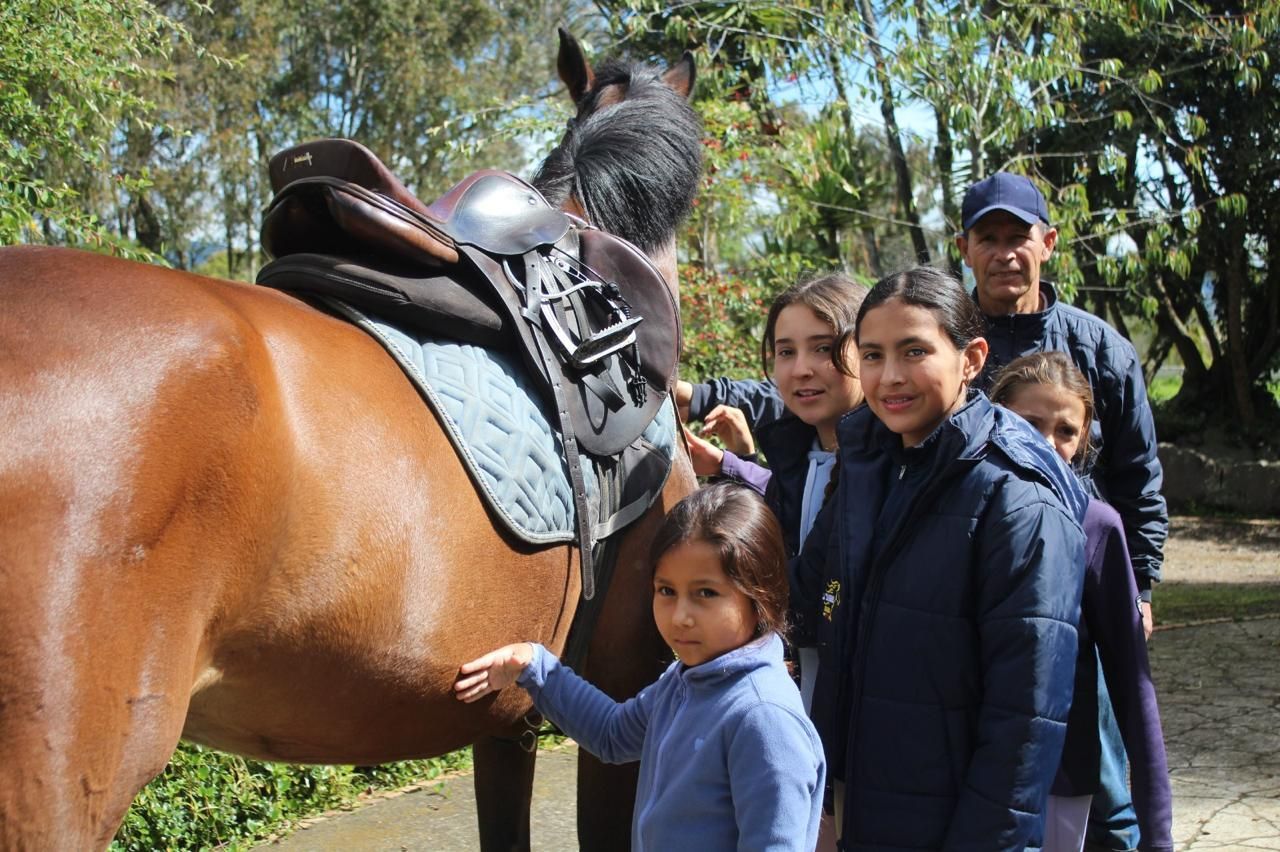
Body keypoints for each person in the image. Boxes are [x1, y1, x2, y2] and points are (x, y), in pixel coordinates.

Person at [791, 266, 1087, 849]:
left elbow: (1026, 718)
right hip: (860, 802)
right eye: (872, 356)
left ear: (971, 359)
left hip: (954, 821)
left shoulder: (1016, 499)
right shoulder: (868, 468)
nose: (890, 377)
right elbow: (807, 599)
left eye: (915, 351)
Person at [454, 481, 826, 852]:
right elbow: (612, 733)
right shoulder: (683, 682)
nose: (680, 616)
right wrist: (533, 664)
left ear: (760, 595)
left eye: (706, 593)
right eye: (666, 591)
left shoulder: (764, 720)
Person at [991, 352, 1173, 852]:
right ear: (994, 415)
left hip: (1058, 781)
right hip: (955, 768)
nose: (1046, 444)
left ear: (1085, 439)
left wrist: (1157, 831)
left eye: (1066, 431)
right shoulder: (955, 510)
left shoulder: (1096, 527)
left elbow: (1134, 689)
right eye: (1028, 423)